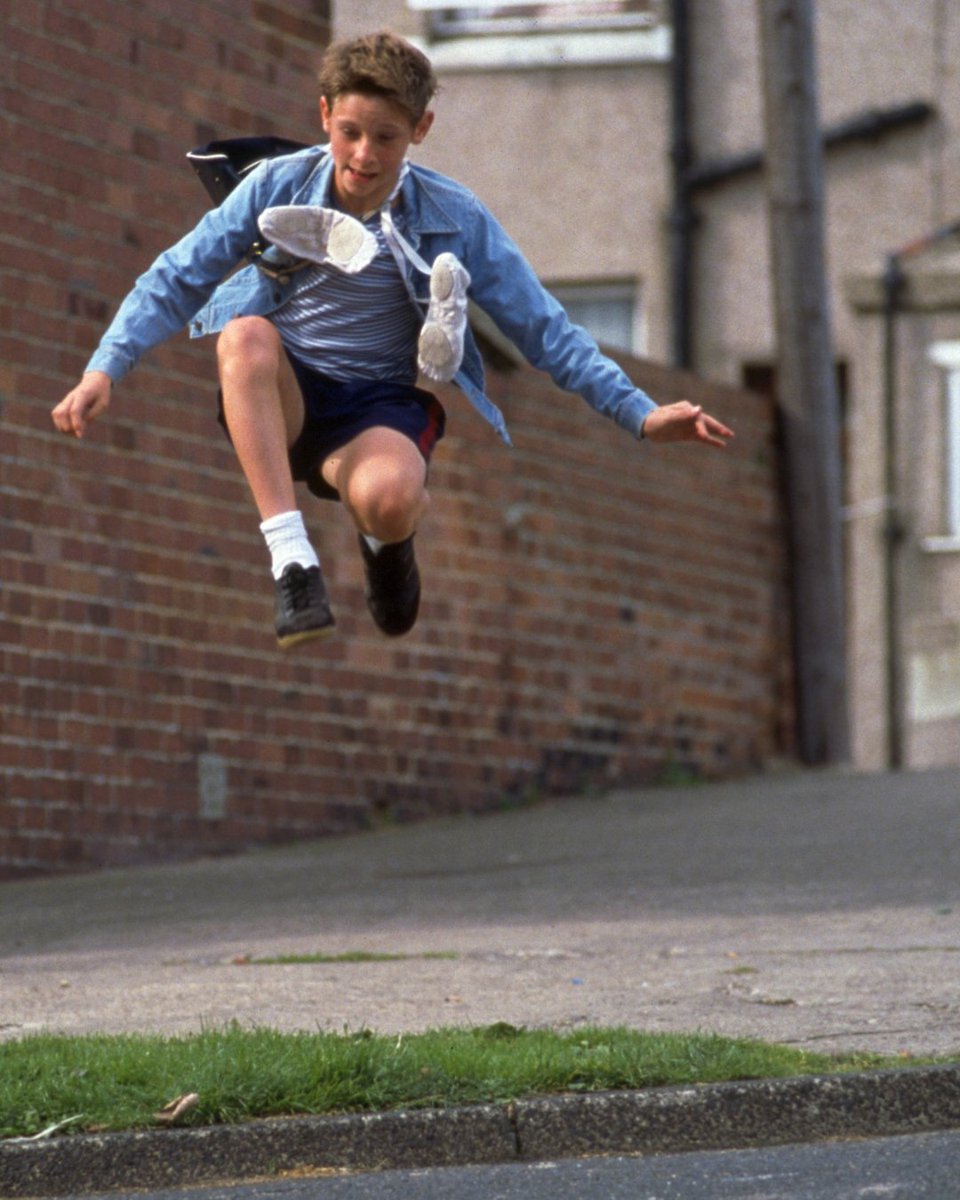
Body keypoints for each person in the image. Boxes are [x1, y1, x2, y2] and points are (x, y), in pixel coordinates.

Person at [52, 30, 733, 650]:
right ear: (324, 115)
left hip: (372, 409)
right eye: (349, 132)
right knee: (244, 335)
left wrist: (639, 413)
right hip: (282, 396)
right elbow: (176, 276)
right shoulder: (276, 185)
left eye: (386, 138)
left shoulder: (454, 216)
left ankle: (387, 547)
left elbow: (545, 328)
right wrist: (103, 369)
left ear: (420, 130)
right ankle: (293, 565)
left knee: (394, 499)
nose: (363, 155)